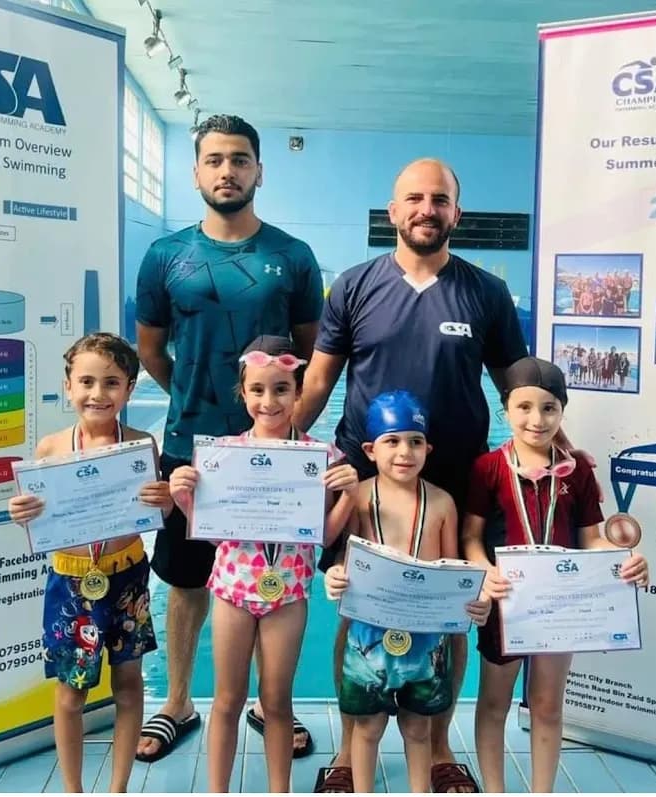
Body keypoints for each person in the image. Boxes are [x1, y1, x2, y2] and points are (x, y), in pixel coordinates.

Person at [294, 158, 528, 793]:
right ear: (393, 212)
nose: (427, 209)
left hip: (452, 477)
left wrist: (548, 444)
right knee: (356, 605)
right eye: (414, 199)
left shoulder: (485, 292)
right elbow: (319, 379)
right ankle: (349, 751)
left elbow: (516, 386)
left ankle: (442, 743)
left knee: (448, 612)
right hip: (365, 481)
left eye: (441, 199)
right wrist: (281, 445)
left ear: (457, 212)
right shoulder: (354, 285)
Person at [134, 114, 324, 761]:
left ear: (259, 171)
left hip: (271, 452)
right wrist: (196, 401)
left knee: (280, 575)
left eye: (239, 159)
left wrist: (281, 422)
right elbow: (152, 351)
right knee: (187, 580)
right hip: (192, 446)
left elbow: (309, 353)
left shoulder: (293, 256)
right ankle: (179, 700)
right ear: (196, 172)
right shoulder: (165, 256)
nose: (227, 170)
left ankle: (274, 707)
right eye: (214, 159)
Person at [165, 335, 358, 792]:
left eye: (281, 389)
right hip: (233, 589)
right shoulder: (223, 455)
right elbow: (215, 534)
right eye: (257, 390)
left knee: (277, 702)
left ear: (298, 392)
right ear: (243, 393)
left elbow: (324, 537)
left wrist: (349, 494)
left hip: (287, 592)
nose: (268, 401)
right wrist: (183, 498)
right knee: (227, 701)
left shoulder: (321, 458)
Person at [461, 357, 649, 793]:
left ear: (562, 411)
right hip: (506, 605)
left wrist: (622, 559)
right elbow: (470, 537)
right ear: (506, 408)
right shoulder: (487, 468)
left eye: (549, 408)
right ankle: (495, 790)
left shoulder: (578, 470)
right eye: (524, 407)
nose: (536, 419)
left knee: (547, 705)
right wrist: (483, 570)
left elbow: (591, 539)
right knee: (494, 704)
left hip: (560, 609)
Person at [7, 333, 174, 792]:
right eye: (86, 382)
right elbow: (37, 522)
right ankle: (73, 789)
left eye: (111, 383)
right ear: (68, 386)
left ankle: (118, 787)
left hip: (127, 577)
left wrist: (166, 501)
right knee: (70, 692)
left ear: (130, 388)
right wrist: (20, 512)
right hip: (71, 582)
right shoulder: (51, 449)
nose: (97, 394)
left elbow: (158, 513)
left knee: (129, 684)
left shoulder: (141, 446)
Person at [323, 391, 492, 793]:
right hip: (368, 634)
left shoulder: (442, 503)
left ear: (428, 448)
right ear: (370, 448)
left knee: (417, 729)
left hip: (425, 638)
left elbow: (455, 572)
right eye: (392, 441)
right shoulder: (359, 497)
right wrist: (334, 577)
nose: (405, 452)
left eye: (415, 442)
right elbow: (345, 559)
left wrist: (474, 603)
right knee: (367, 729)